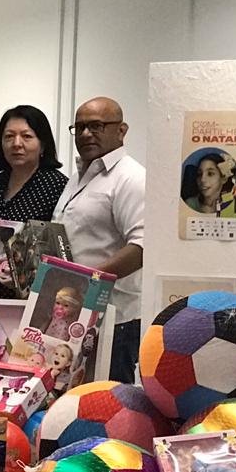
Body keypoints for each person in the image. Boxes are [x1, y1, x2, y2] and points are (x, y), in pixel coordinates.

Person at [55, 97, 146, 384]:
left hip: (115, 321)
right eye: (79, 127)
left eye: (96, 126)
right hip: (77, 314)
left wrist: (87, 282)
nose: (85, 134)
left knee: (110, 402)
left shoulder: (131, 178)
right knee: (75, 398)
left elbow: (142, 247)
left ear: (121, 130)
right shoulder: (78, 176)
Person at [0, 105, 68, 224]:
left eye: (26, 136)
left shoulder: (57, 186)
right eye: (9, 136)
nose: (16, 144)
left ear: (43, 145)